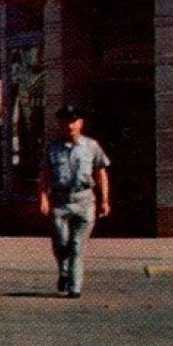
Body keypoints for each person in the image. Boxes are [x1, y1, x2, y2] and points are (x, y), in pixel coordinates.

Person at [38, 106, 111, 298]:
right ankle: (63, 270)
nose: (70, 126)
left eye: (74, 121)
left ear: (81, 123)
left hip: (85, 200)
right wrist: (44, 198)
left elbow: (101, 173)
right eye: (65, 122)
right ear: (60, 124)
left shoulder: (92, 146)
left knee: (78, 244)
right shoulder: (52, 148)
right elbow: (45, 175)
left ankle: (74, 286)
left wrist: (105, 200)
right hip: (60, 201)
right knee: (61, 242)